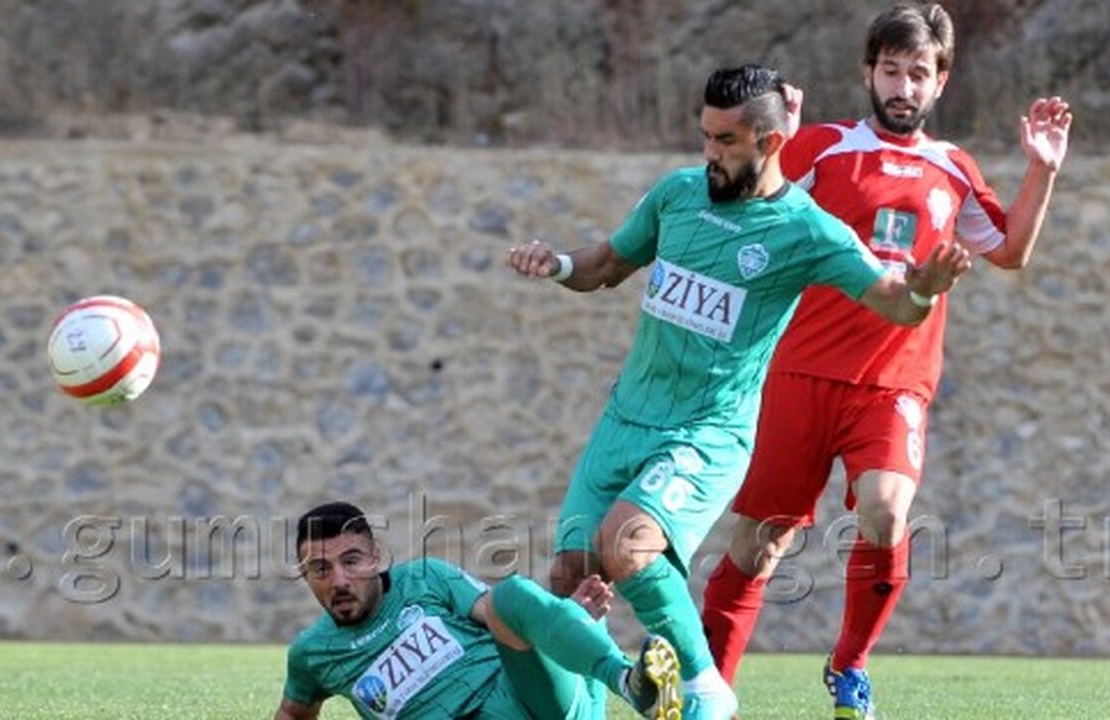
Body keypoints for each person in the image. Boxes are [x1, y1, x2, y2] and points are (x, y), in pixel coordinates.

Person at [507, 63, 971, 720]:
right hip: (625, 418)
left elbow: (894, 303)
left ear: (770, 142)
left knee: (627, 543)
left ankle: (707, 693)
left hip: (707, 432)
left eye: (726, 141)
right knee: (570, 580)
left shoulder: (806, 230)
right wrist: (556, 264)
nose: (710, 153)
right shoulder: (677, 195)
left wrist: (922, 290)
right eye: (705, 136)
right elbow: (605, 264)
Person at [699, 5, 1073, 719]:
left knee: (886, 511)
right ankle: (708, 690)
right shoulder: (825, 146)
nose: (904, 87)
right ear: (869, 73)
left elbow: (1010, 250)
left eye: (919, 74)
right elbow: (749, 209)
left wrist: (1041, 170)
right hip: (801, 371)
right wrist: (777, 146)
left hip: (894, 382)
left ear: (940, 82)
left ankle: (849, 666)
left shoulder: (952, 167)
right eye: (892, 70)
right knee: (763, 539)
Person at [275, 501, 683, 720]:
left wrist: (560, 619)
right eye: (320, 569)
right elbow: (293, 712)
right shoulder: (312, 654)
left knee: (510, 594)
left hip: (528, 698)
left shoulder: (424, 578)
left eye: (351, 561)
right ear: (305, 575)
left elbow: (502, 614)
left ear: (375, 558)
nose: (339, 580)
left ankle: (629, 682)